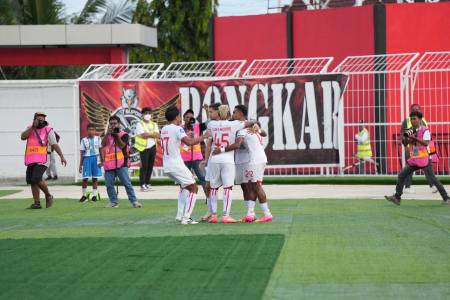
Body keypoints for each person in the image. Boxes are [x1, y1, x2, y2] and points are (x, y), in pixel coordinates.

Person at [385, 111, 449, 205]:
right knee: (401, 175)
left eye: (414, 118)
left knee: (433, 179)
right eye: (411, 119)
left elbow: (426, 143)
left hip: (425, 159)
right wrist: (405, 139)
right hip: (415, 159)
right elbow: (405, 143)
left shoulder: (425, 130)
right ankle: (397, 197)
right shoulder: (411, 130)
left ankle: (446, 198)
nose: (412, 120)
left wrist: (414, 138)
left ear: (420, 119)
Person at [160, 106, 209, 225]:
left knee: (185, 186)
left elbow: (181, 142)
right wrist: (204, 136)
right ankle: (186, 218)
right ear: (177, 117)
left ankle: (179, 215)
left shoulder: (164, 129)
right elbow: (190, 142)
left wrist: (189, 137)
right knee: (194, 188)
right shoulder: (178, 129)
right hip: (176, 164)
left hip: (167, 165)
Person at [206, 105, 255, 223]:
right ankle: (225, 215)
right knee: (227, 188)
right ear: (228, 114)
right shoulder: (234, 124)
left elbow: (209, 122)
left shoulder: (211, 124)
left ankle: (213, 215)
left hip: (214, 158)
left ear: (218, 113)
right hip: (227, 159)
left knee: (213, 188)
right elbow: (250, 122)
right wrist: (255, 124)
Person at [21, 112, 67, 209]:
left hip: (44, 158)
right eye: (38, 119)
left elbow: (54, 144)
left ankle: (48, 195)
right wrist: (32, 127)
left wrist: (61, 156)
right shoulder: (30, 128)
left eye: (42, 119)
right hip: (32, 158)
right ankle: (37, 203)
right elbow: (23, 137)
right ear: (34, 120)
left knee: (36, 178)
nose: (41, 121)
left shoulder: (48, 130)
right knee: (32, 181)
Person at [102, 116, 142, 208]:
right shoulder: (108, 134)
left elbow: (122, 145)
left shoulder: (124, 134)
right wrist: (107, 134)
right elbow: (103, 144)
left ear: (119, 124)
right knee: (109, 184)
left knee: (127, 183)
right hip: (110, 163)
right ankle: (113, 202)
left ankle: (134, 201)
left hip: (122, 163)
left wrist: (116, 136)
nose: (113, 125)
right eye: (111, 123)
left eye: (115, 123)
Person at [400, 104, 435, 193]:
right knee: (411, 166)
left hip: (424, 148)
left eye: (417, 109)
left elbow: (427, 135)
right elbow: (403, 135)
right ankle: (407, 187)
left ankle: (432, 186)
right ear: (410, 111)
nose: (416, 111)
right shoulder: (407, 121)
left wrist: (431, 148)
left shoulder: (423, 120)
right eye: (413, 110)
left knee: (428, 166)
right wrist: (406, 146)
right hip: (414, 148)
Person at [180, 109, 208, 198]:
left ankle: (209, 198)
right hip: (184, 158)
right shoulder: (180, 128)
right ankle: (184, 198)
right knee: (184, 180)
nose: (189, 119)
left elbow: (209, 123)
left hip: (197, 157)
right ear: (184, 118)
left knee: (203, 178)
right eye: (187, 117)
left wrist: (207, 111)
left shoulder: (197, 126)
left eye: (191, 117)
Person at [134, 107, 160, 192]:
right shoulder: (139, 124)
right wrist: (152, 134)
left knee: (150, 166)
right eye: (146, 113)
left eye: (149, 113)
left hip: (153, 146)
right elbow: (143, 135)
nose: (147, 115)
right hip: (144, 147)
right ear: (142, 115)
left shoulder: (154, 124)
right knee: (144, 166)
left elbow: (157, 135)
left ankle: (147, 183)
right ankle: (142, 184)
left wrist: (149, 134)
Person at [79, 123, 103, 202]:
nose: (91, 131)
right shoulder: (83, 140)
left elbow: (100, 150)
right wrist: (80, 165)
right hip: (87, 159)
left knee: (95, 178)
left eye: (93, 130)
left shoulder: (98, 139)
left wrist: (102, 161)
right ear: (87, 131)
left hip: (96, 159)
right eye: (89, 130)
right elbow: (82, 153)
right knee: (85, 178)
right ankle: (84, 195)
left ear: (95, 131)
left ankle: (94, 196)